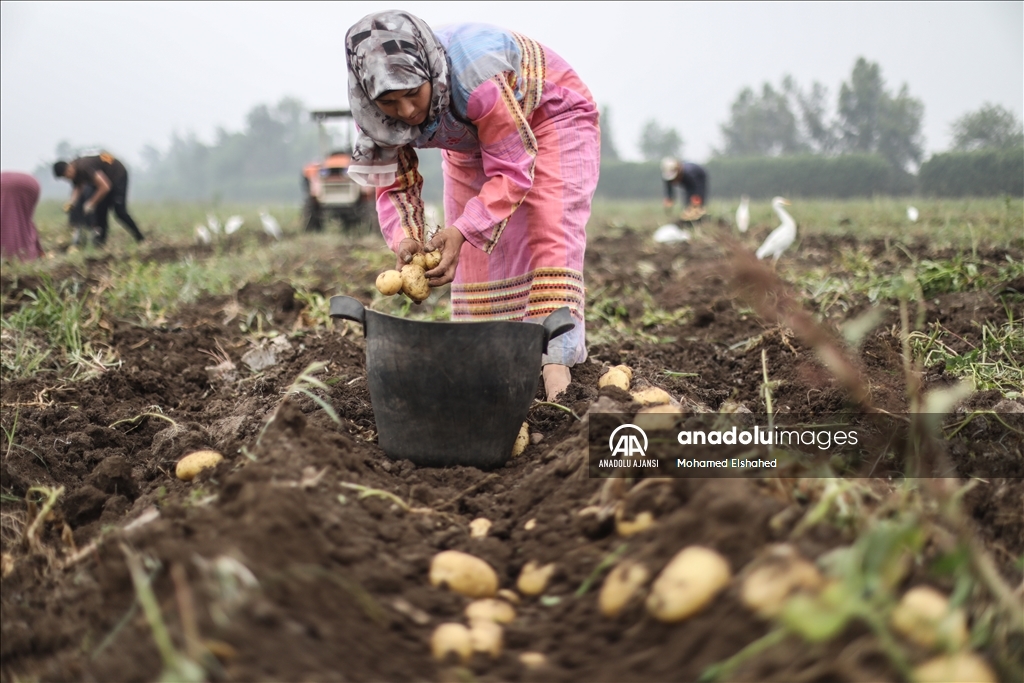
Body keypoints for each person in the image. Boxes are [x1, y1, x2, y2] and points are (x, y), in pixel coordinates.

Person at [345, 12, 600, 402]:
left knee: (548, 232)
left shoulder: (475, 76)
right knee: (479, 263)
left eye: (414, 92)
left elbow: (512, 171)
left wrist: (463, 230)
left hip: (552, 116)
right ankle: (492, 376)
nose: (409, 111)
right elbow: (395, 185)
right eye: (391, 102)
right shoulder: (374, 116)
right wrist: (407, 239)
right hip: (469, 141)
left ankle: (557, 385)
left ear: (430, 71)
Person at [53, 152, 145, 246]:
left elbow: (105, 186)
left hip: (117, 175)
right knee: (101, 211)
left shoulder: (84, 167)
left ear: (69, 167)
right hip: (105, 181)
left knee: (120, 212)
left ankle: (140, 238)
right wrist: (72, 202)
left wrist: (91, 203)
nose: (68, 177)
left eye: (67, 174)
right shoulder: (74, 172)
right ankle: (100, 244)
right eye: (65, 177)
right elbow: (78, 187)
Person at [0, 171, 44, 261]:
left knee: (6, 220)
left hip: (4, 184)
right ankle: (28, 252)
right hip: (31, 183)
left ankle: (9, 256)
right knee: (23, 220)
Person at [661, 157, 708, 221]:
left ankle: (700, 218)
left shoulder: (688, 174)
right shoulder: (667, 177)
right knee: (687, 202)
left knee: (696, 201)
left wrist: (697, 197)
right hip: (689, 182)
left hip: (698, 178)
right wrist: (669, 197)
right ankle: (687, 216)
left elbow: (696, 186)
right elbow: (669, 188)